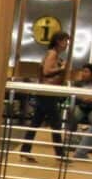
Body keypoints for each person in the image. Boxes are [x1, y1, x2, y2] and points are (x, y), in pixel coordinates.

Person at [19, 31, 69, 162]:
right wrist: (62, 68)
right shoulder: (52, 54)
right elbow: (47, 71)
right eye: (65, 41)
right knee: (56, 123)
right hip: (48, 93)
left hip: (46, 93)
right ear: (59, 41)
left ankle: (25, 150)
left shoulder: (54, 54)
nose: (67, 44)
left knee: (36, 122)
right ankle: (60, 154)